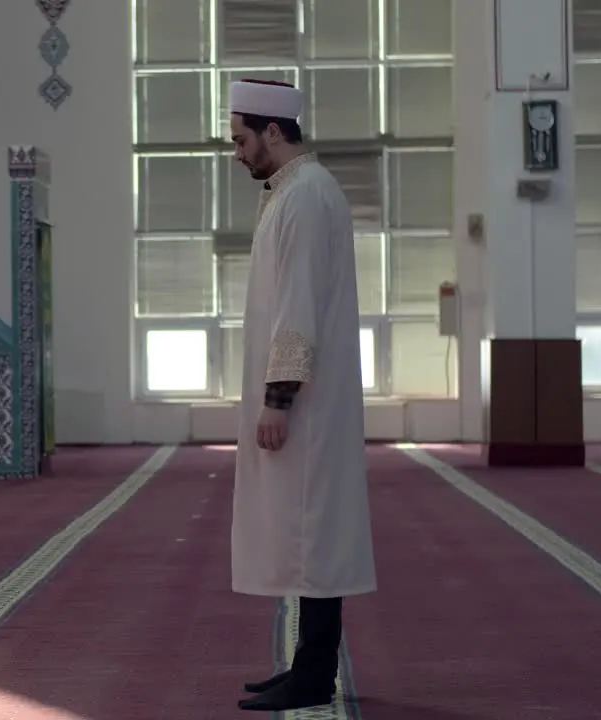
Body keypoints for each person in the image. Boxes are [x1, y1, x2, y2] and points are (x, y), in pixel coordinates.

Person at [226, 79, 377, 713]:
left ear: (274, 132)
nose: (237, 152)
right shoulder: (291, 193)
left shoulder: (308, 197)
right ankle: (302, 664)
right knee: (299, 531)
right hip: (301, 400)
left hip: (305, 406)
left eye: (241, 139)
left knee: (313, 535)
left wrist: (279, 397)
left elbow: (299, 307)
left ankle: (314, 675)